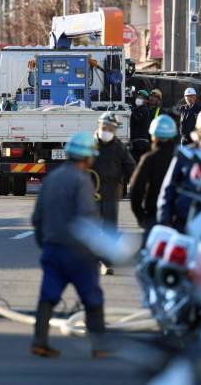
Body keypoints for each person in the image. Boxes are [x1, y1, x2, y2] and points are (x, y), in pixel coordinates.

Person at [31, 132, 108, 358]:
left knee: (48, 296)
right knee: (92, 297)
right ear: (87, 158)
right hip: (78, 253)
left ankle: (39, 341)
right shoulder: (82, 180)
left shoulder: (52, 178)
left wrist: (44, 244)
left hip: (53, 248)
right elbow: (87, 218)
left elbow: (37, 218)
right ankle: (100, 346)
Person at [92, 112, 136, 275]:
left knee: (109, 229)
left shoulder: (119, 147)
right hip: (91, 194)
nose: (107, 130)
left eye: (111, 128)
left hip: (111, 193)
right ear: (99, 126)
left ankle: (106, 262)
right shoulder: (89, 145)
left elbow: (130, 166)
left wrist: (135, 184)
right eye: (105, 127)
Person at [130, 115, 177, 246]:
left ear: (153, 135)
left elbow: (135, 189)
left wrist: (140, 216)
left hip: (153, 216)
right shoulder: (182, 158)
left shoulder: (149, 158)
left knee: (149, 256)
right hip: (178, 219)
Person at [130, 89, 152, 162]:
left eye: (141, 98)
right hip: (136, 141)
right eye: (137, 97)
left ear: (146, 101)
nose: (138, 99)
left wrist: (131, 112)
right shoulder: (137, 109)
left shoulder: (144, 110)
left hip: (141, 143)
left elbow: (137, 119)